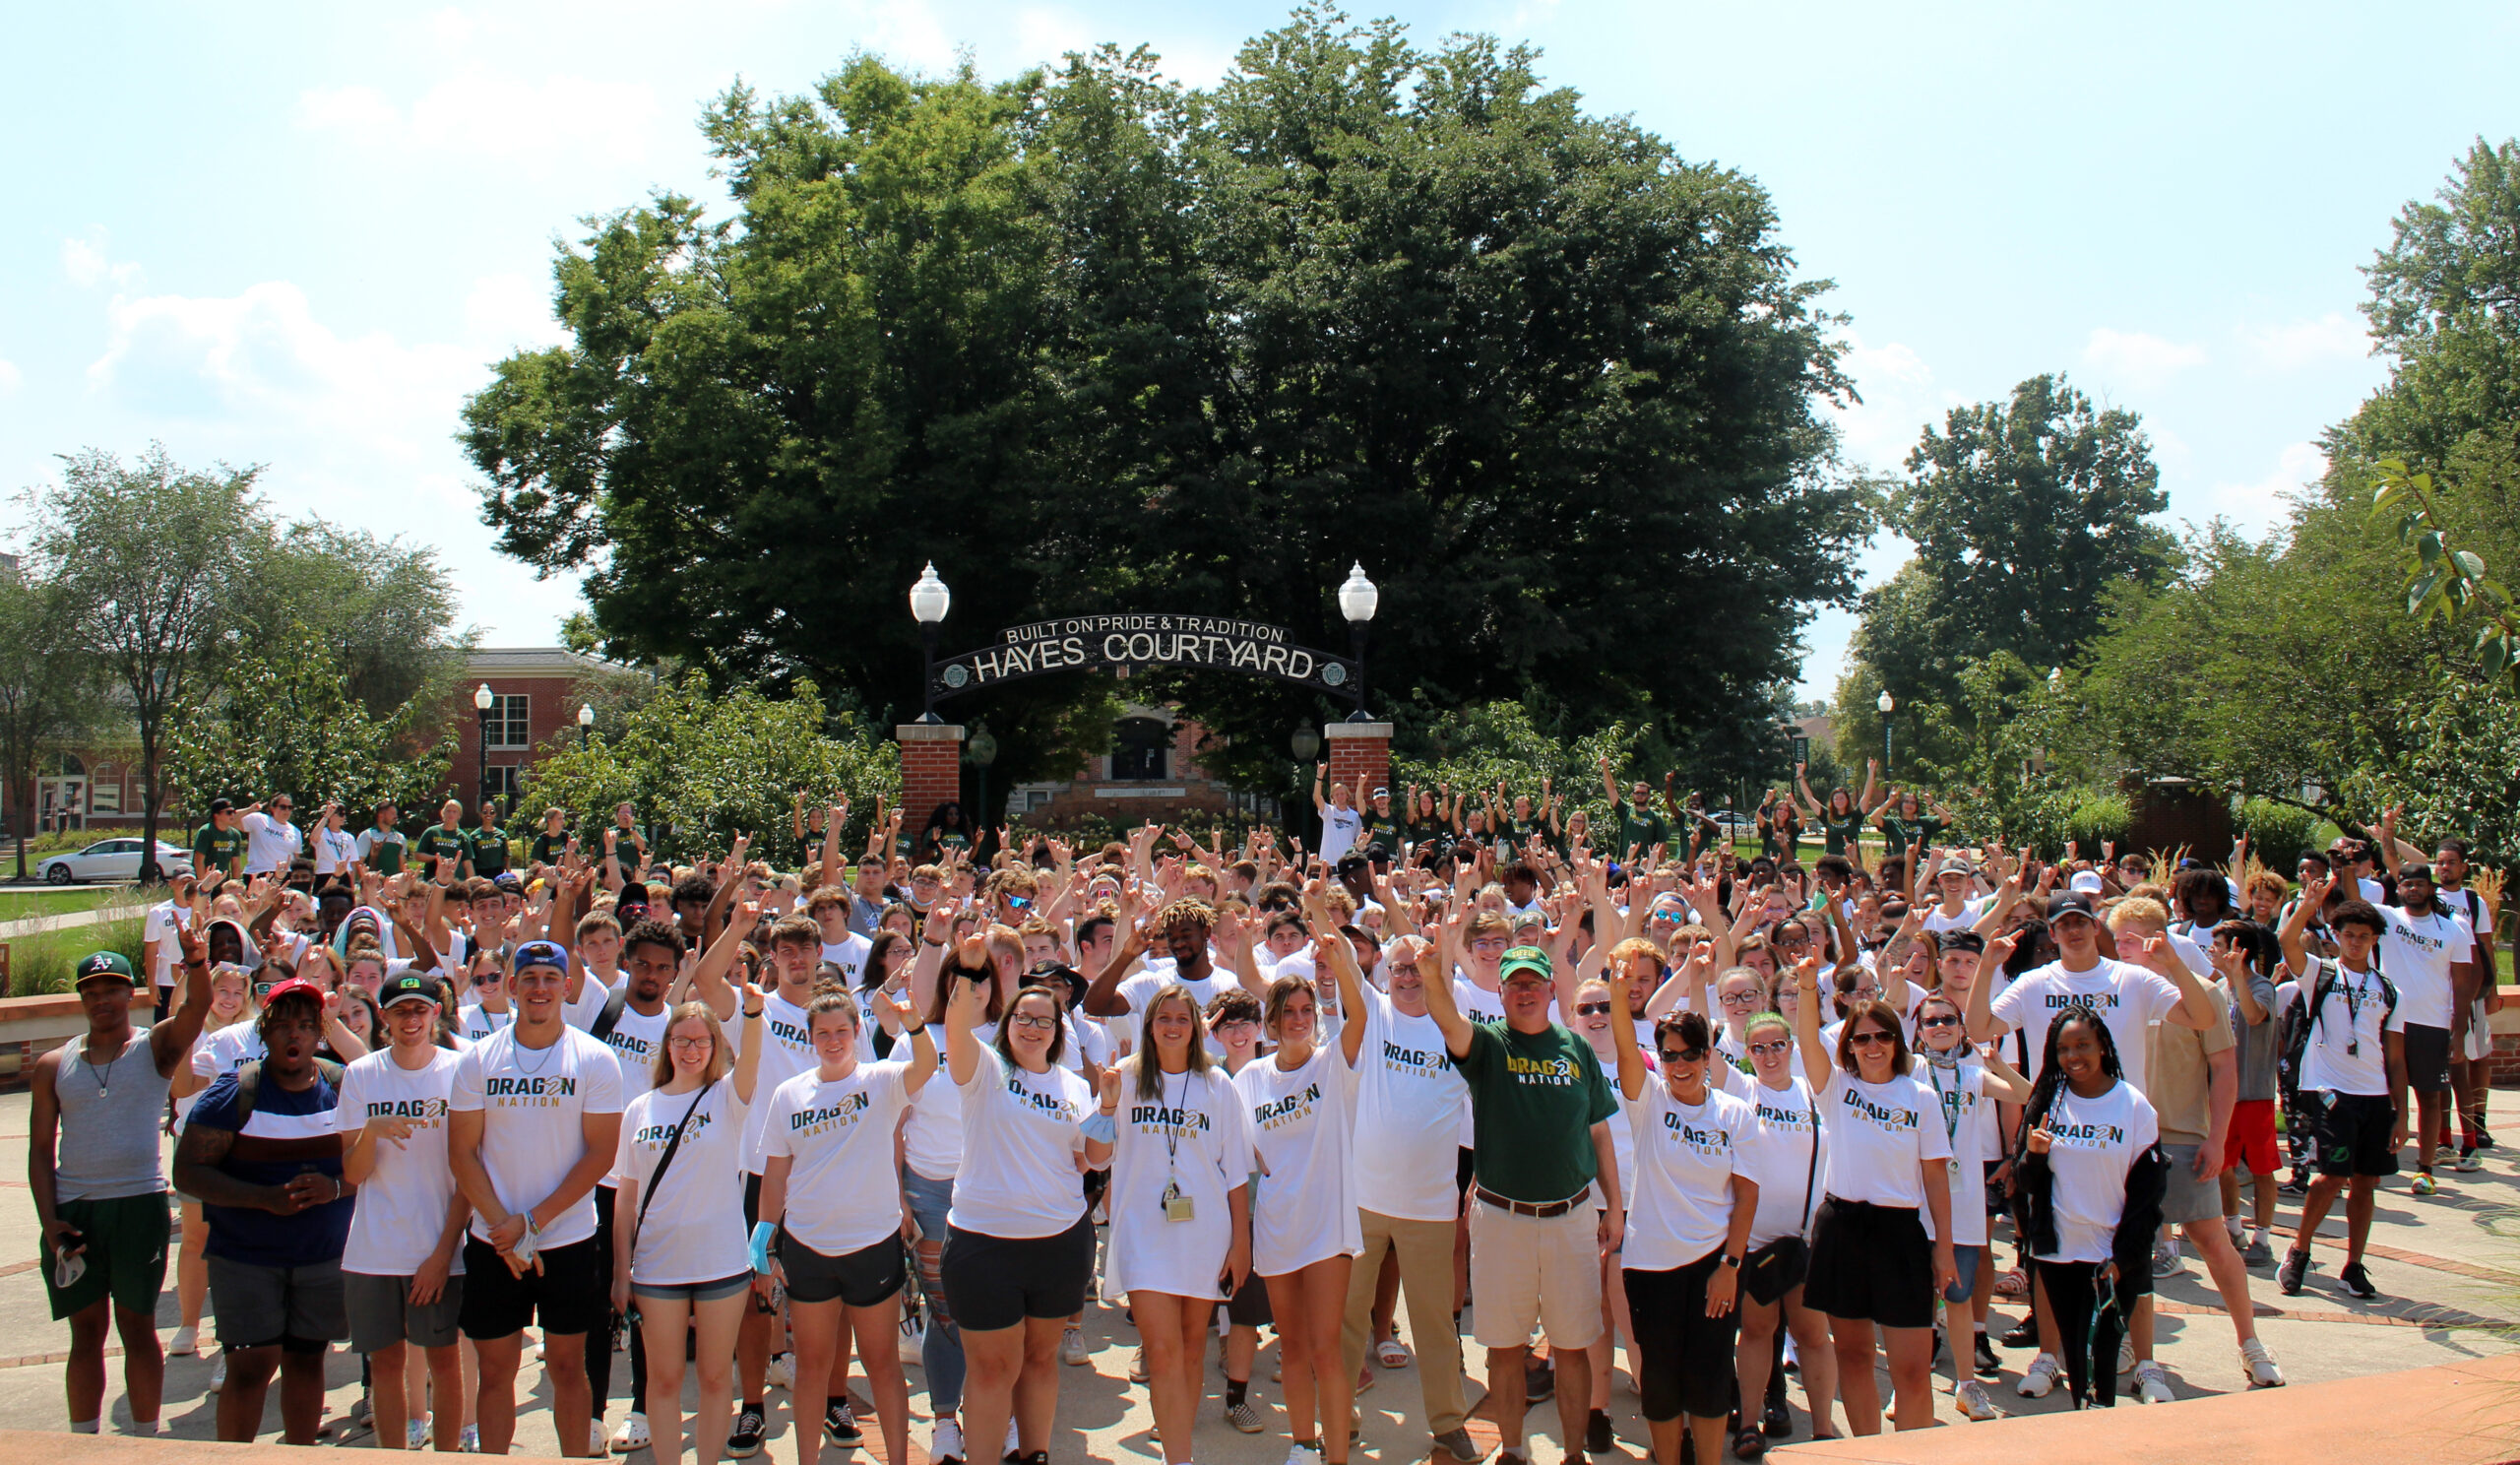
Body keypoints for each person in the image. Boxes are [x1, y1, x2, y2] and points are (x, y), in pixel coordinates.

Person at [1421, 926, 1620, 1465]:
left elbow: (1599, 1131)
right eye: (1516, 985)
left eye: (1535, 982)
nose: (1526, 991)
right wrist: (1435, 961)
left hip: (1571, 1217)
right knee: (1504, 1348)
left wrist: (1615, 1206)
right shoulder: (1488, 1046)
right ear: (1503, 994)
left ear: (1552, 990)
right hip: (1502, 1217)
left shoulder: (1577, 1047)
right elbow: (1445, 1015)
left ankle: (1573, 1454)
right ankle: (1512, 1452)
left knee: (1573, 1346)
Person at [447, 938, 627, 1457]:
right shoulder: (478, 1059)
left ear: (567, 988)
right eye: (529, 979)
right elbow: (462, 1154)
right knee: (495, 1371)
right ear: (512, 987)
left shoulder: (595, 1059)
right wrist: (505, 1228)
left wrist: (532, 1224)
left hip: (566, 1240)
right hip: (493, 1242)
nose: (540, 988)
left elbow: (600, 1154)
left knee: (569, 1369)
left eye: (550, 978)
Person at [32, 942, 214, 1436]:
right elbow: (40, 1151)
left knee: (138, 1327)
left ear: (130, 993)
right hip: (76, 1213)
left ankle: (144, 1438)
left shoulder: (154, 1047)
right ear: (82, 999)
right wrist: (50, 1222)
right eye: (91, 991)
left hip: (138, 1206)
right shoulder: (54, 1064)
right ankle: (83, 1440)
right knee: (85, 1333)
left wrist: (196, 965)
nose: (102, 999)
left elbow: (197, 1008)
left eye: (112, 988)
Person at [170, 978, 355, 1444]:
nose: (295, 1035)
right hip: (247, 1260)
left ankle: (300, 1451)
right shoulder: (234, 1095)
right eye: (284, 1025)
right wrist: (262, 1198)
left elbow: (375, 1167)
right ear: (265, 1031)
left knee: (307, 1361)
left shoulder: (345, 1091)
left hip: (320, 1259)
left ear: (320, 1035)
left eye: (307, 1026)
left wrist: (334, 1187)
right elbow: (189, 1173)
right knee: (250, 1369)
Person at [946, 962, 1109, 1465]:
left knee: (1040, 1360)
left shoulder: (1075, 1087)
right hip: (984, 1245)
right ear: (1007, 1022)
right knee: (993, 1369)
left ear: (1059, 1032)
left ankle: (1034, 1455)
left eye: (1045, 1020)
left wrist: (1108, 1111)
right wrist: (969, 970)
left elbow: (1095, 1159)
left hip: (1059, 1242)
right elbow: (955, 1025)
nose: (1033, 1027)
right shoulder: (985, 1069)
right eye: (1024, 1017)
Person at [756, 987, 926, 1465]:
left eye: (842, 1031)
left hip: (872, 1244)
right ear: (810, 1038)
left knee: (882, 1366)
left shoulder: (883, 1078)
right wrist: (761, 1244)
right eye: (822, 1032)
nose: (833, 1040)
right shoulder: (789, 1094)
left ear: (856, 1032)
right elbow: (774, 1175)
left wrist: (914, 1024)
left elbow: (927, 1067)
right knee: (811, 1368)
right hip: (807, 1247)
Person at [1331, 931, 1481, 1463]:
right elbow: (1343, 959)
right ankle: (1339, 1417)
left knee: (1435, 1323)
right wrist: (1320, 906)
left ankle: (1448, 1423)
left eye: (1419, 968)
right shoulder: (1371, 1016)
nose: (1410, 977)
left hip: (1430, 1208)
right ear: (1384, 975)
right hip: (1364, 1200)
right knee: (1347, 1320)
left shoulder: (1458, 1032)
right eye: (1400, 968)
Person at [1788, 957, 1954, 1434]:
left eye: (1883, 1036)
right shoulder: (1835, 1088)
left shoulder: (1919, 1096)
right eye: (1862, 1038)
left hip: (1900, 1233)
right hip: (1842, 1227)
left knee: (1912, 1370)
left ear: (1898, 1043)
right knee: (1855, 1357)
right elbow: (1805, 1039)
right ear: (1849, 1046)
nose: (1873, 1046)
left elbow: (1937, 1177)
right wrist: (1804, 989)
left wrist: (1943, 1247)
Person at [1603, 980, 1757, 1465]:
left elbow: (1747, 1194)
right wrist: (1617, 990)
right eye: (1669, 1056)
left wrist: (1730, 1265)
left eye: (1691, 1054)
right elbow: (1626, 1048)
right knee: (1661, 1380)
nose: (1680, 1065)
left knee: (1710, 1377)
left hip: (1714, 1265)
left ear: (1708, 1055)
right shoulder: (1647, 1100)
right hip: (1649, 1268)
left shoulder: (1734, 1113)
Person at [1100, 984, 1254, 1465]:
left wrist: (1241, 1243)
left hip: (1204, 1235)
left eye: (1182, 1019)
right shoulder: (1124, 1078)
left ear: (1196, 1029)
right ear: (1149, 1025)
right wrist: (1105, 1106)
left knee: (1191, 1353)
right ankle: (1180, 1459)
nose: (1171, 1026)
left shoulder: (1217, 1084)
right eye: (1163, 1017)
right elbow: (1094, 1157)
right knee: (1162, 1352)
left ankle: (1176, 1450)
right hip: (1143, 1236)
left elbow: (1235, 1173)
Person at [617, 991, 770, 1465]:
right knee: (662, 1380)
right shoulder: (639, 1109)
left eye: (702, 1041)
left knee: (715, 1377)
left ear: (715, 1046)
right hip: (657, 1266)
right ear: (667, 1045)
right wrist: (622, 1271)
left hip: (721, 1261)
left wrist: (752, 1012)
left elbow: (753, 1060)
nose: (690, 1049)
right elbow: (625, 1199)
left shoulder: (728, 1097)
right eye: (681, 1039)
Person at [1233, 957, 1361, 1465]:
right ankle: (1303, 1446)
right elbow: (1242, 1153)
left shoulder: (1333, 1062)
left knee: (1326, 1347)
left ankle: (1336, 1457)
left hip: (1327, 1226)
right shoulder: (1249, 1079)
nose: (1299, 1019)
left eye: (1307, 1009)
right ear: (1271, 1020)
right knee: (1292, 1346)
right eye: (1288, 1011)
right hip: (1276, 1226)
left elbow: (1362, 1016)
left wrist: (1335, 948)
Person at [339, 972, 472, 1451]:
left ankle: (449, 1455)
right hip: (373, 1252)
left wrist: (442, 1254)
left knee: (443, 1364)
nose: (410, 1019)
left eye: (419, 1009)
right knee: (385, 1367)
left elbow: (470, 1176)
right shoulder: (361, 1075)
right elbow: (352, 1176)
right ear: (384, 1018)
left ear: (436, 1014)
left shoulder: (462, 1070)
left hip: (438, 1249)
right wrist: (369, 1131)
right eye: (400, 1011)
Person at [2011, 1007, 2166, 1409]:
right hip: (2060, 1254)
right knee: (2079, 1364)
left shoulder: (2133, 1106)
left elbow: (2148, 1197)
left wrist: (2123, 1259)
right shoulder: (2047, 1099)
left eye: (2082, 1045)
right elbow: (2024, 1183)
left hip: (2112, 1261)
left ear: (2102, 1046)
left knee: (2101, 1363)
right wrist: (2034, 1156)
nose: (2073, 1056)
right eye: (2063, 1048)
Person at [2274, 885, 2408, 1302]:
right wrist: (2308, 907)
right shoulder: (2321, 974)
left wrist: (2401, 1113)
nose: (2355, 942)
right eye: (2348, 935)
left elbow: (2397, 1057)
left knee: (2366, 1181)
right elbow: (2286, 941)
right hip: (2331, 1091)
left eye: (2364, 936)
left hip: (2374, 1093)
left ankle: (2353, 1265)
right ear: (2337, 936)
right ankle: (2300, 1249)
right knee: (2331, 1177)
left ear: (2374, 940)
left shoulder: (2389, 990)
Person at [1907, 992, 2029, 1422]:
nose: (1939, 1026)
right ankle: (1912, 1382)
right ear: (1919, 1032)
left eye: (1948, 1019)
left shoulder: (1974, 1075)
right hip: (1917, 1200)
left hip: (1964, 1201)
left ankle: (1967, 1385)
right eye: (1930, 1021)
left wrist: (1997, 1065)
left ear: (1961, 1027)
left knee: (1958, 1296)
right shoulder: (1910, 1070)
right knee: (1917, 1300)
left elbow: (2028, 1095)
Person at [1729, 1010, 1835, 1455]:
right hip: (1754, 1241)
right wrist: (1699, 974)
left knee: (1813, 1334)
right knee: (1756, 1331)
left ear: (1791, 1047)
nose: (1769, 1055)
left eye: (1778, 1045)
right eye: (1759, 1047)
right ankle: (1749, 1423)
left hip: (1806, 1240)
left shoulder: (1816, 1093)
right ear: (1746, 1053)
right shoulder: (1739, 1090)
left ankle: (1825, 1430)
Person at [2365, 841, 2478, 1197]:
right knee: (2380, 1097)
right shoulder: (2388, 918)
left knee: (2430, 1097)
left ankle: (2425, 1169)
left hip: (2432, 1025)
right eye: (2406, 884)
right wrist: (2347, 865)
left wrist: (2458, 1036)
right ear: (2398, 889)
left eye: (2419, 884)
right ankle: (2378, 1163)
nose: (2413, 889)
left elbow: (2462, 987)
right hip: (2387, 1021)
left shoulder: (2452, 929)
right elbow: (2353, 897)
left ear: (2431, 888)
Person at [239, 797, 304, 877]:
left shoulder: (296, 831)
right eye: (283, 807)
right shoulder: (258, 819)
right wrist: (248, 810)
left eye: (290, 808)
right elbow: (231, 820)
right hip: (258, 873)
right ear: (272, 808)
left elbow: (296, 858)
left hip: (284, 874)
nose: (287, 810)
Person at [1315, 765, 1364, 866]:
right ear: (1332, 797)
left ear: (1347, 795)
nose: (1339, 797)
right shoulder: (1328, 811)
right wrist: (1319, 776)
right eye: (1336, 794)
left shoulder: (1355, 816)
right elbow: (1317, 798)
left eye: (1342, 794)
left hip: (1347, 862)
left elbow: (1359, 840)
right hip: (1327, 862)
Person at [416, 801, 472, 882]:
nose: (451, 814)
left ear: (459, 816)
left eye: (454, 812)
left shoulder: (463, 837)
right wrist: (436, 858)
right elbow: (418, 855)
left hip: (456, 882)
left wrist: (472, 885)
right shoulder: (432, 832)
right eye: (448, 811)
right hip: (433, 880)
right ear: (443, 813)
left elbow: (467, 864)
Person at [195, 797, 249, 879]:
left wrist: (236, 884)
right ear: (216, 815)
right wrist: (202, 885)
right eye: (229, 812)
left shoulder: (235, 834)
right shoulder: (206, 831)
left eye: (233, 812)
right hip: (207, 881)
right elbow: (198, 861)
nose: (233, 815)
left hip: (223, 882)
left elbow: (235, 863)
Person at [357, 803, 410, 878]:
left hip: (393, 885)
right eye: (392, 813)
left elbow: (402, 866)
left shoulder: (400, 837)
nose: (396, 817)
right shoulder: (368, 835)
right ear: (381, 815)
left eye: (396, 814)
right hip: (374, 884)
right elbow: (359, 863)